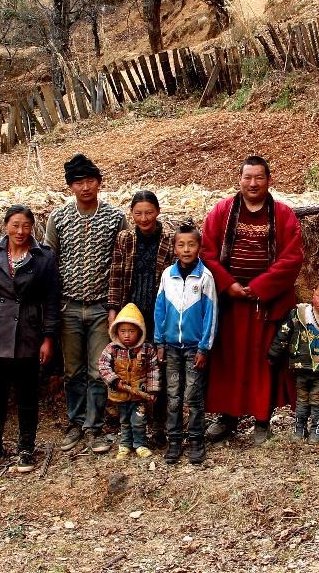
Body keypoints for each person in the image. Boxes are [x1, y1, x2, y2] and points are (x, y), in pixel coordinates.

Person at [201, 155, 304, 445]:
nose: (253, 183)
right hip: (230, 305)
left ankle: (262, 419)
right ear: (239, 180)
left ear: (269, 180)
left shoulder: (282, 215)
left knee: (263, 363)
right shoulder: (222, 211)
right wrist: (228, 284)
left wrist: (259, 287)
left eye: (259, 177)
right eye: (248, 177)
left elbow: (292, 257)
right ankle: (227, 417)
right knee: (229, 362)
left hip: (265, 305)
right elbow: (207, 252)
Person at [0, 205, 61, 473]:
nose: (20, 231)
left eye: (26, 226)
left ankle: (26, 448)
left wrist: (48, 338)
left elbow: (51, 302)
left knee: (27, 395)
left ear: (33, 228)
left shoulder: (43, 257)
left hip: (29, 334)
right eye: (15, 225)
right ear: (6, 225)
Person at [46, 153, 127, 453]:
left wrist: (114, 308)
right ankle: (75, 422)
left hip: (100, 308)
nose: (85, 187)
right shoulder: (59, 218)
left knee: (97, 370)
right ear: (70, 187)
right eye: (78, 182)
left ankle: (93, 426)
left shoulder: (115, 218)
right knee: (73, 370)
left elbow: (121, 263)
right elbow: (49, 261)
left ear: (99, 183)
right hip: (68, 307)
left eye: (90, 181)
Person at [107, 190, 175, 445]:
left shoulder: (169, 238)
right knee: (130, 368)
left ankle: (158, 425)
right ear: (131, 214)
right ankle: (132, 425)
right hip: (131, 313)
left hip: (158, 311)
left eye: (149, 212)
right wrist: (113, 311)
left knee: (158, 367)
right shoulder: (125, 238)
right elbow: (115, 275)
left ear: (157, 212)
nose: (144, 218)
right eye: (138, 213)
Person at [152, 224, 218, 464]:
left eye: (191, 244)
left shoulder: (205, 277)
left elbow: (211, 315)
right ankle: (174, 441)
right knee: (172, 395)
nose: (186, 249)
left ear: (199, 247)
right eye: (181, 245)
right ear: (174, 247)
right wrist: (159, 341)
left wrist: (204, 348)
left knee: (193, 395)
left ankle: (196, 441)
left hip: (193, 349)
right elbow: (159, 310)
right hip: (170, 347)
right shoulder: (167, 275)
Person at [267, 277, 319, 444]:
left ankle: (317, 428)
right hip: (301, 366)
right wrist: (274, 353)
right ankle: (299, 427)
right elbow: (283, 334)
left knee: (318, 400)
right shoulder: (299, 314)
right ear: (313, 293)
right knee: (301, 400)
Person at [97, 304, 162, 460]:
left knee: (139, 420)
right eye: (123, 331)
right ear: (116, 331)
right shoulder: (112, 349)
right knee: (124, 420)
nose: (127, 335)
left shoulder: (147, 349)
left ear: (140, 331)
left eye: (131, 331)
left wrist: (152, 390)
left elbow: (153, 370)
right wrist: (114, 380)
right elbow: (103, 365)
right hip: (120, 394)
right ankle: (125, 445)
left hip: (140, 395)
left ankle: (140, 444)